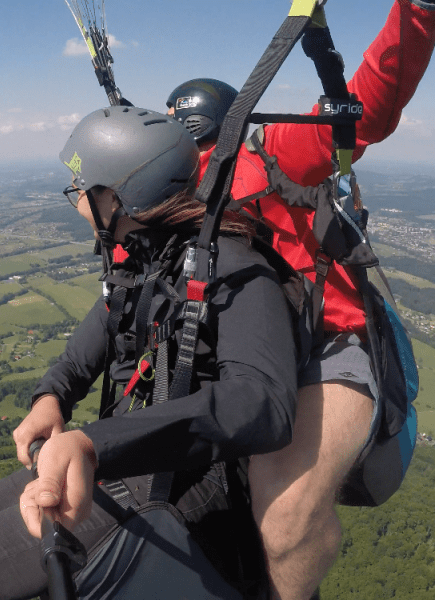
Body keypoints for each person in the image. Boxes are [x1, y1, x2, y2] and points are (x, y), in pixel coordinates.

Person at [0, 106, 301, 600]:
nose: (77, 198)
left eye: (82, 188)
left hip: (184, 483)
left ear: (119, 197)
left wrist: (95, 444)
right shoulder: (149, 258)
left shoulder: (236, 268)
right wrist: (53, 396)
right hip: (127, 458)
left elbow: (263, 403)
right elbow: (98, 336)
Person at [163, 3, 435, 599]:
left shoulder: (271, 151)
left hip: (331, 344)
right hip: (248, 351)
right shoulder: (168, 197)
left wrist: (415, 16)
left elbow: (362, 109)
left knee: (285, 519)